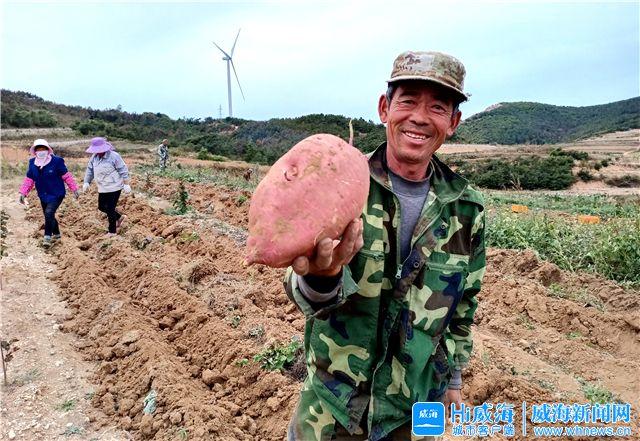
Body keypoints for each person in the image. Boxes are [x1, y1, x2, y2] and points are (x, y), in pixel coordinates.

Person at [284, 51, 486, 441]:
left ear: (454, 122)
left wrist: (454, 379)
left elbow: (463, 304)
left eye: (438, 107)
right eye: (408, 100)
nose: (420, 117)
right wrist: (323, 279)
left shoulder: (466, 209)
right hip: (334, 406)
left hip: (415, 410)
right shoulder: (342, 186)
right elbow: (301, 290)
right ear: (384, 108)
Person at [17, 139, 80, 248]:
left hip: (57, 193)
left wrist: (74, 188)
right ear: (35, 151)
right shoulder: (32, 163)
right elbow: (29, 180)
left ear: (48, 149)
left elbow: (66, 176)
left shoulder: (57, 161)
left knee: (49, 213)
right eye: (39, 149)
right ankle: (57, 234)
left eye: (43, 148)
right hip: (43, 194)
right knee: (49, 214)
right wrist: (23, 193)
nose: (41, 151)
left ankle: (47, 237)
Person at [82, 137, 131, 236]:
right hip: (102, 187)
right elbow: (90, 170)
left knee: (109, 208)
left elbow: (123, 170)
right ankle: (119, 217)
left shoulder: (114, 156)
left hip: (114, 186)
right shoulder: (94, 157)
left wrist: (126, 184)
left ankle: (112, 231)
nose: (98, 152)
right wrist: (86, 182)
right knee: (101, 207)